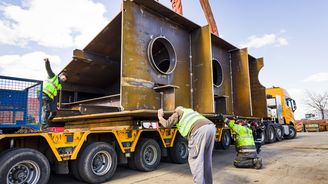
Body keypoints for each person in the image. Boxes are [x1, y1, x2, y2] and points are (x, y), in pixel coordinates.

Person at [157, 106, 216, 184]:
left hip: (199, 131)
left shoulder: (178, 112)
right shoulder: (190, 111)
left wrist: (160, 116)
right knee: (206, 160)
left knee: (196, 161)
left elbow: (167, 124)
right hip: (211, 128)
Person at [41, 58, 67, 129]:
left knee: (54, 112)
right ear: (60, 76)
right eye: (63, 77)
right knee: (46, 110)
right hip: (43, 94)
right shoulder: (53, 77)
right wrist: (47, 62)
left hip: (50, 98)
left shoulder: (59, 86)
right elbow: (48, 69)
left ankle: (46, 122)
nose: (64, 79)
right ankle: (43, 125)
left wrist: (56, 106)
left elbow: (55, 97)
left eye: (65, 79)